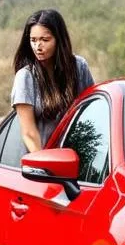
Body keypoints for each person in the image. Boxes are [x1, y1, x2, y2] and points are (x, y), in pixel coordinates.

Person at [10, 9, 95, 152]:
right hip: (42, 163)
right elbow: (29, 134)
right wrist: (44, 167)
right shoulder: (25, 77)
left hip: (82, 159)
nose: (38, 47)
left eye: (45, 40)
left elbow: (94, 113)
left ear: (59, 40)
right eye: (33, 40)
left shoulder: (79, 67)